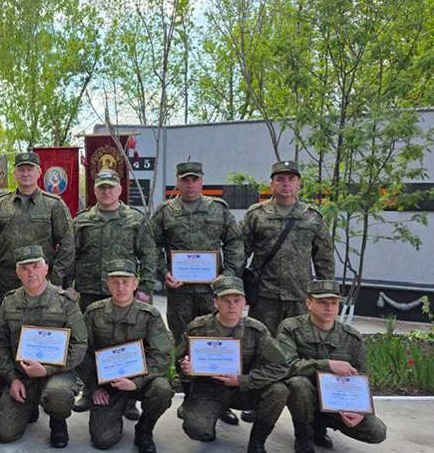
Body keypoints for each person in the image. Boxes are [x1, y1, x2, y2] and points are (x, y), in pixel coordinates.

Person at [150, 161, 244, 425]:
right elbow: (150, 244)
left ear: (202, 181)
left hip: (214, 292)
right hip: (180, 292)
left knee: (218, 342)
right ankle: (191, 398)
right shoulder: (166, 212)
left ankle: (220, 402)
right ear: (178, 182)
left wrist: (228, 275)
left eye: (194, 179)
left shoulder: (218, 209)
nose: (190, 184)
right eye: (185, 179)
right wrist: (163, 272)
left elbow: (234, 242)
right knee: (185, 343)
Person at [0, 152, 75, 408]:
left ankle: (46, 385)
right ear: (15, 173)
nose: (25, 173)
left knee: (43, 333)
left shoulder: (53, 204)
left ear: (39, 172)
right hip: (8, 281)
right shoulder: (1, 205)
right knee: (6, 334)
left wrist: (55, 278)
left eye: (30, 169)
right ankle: (5, 384)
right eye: (21, 169)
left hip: (43, 284)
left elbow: (67, 243)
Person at [72, 168, 158, 416]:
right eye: (102, 187)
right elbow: (70, 254)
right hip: (89, 290)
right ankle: (90, 389)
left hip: (125, 292)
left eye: (111, 187)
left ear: (119, 189)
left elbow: (149, 254)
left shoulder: (135, 219)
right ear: (95, 190)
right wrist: (67, 285)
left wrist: (145, 288)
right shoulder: (82, 220)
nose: (106, 191)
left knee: (129, 342)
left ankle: (128, 398)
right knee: (89, 342)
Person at [177, 275, 290, 453]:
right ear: (216, 302)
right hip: (209, 390)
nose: (232, 306)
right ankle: (210, 418)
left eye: (237, 300)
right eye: (226, 300)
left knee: (279, 390)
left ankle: (257, 441)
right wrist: (185, 368)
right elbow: (177, 361)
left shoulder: (256, 330)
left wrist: (242, 380)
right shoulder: (198, 328)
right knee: (196, 429)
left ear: (244, 302)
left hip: (244, 390)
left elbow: (281, 366)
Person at [0, 246, 88, 448]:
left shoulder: (65, 302)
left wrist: (48, 369)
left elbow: (80, 344)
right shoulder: (9, 302)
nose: (31, 273)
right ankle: (30, 406)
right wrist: (12, 378)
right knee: (4, 432)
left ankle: (58, 422)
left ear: (46, 268)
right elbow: (0, 343)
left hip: (56, 373)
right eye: (24, 268)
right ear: (17, 273)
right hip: (22, 375)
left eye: (35, 266)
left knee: (58, 395)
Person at [278, 280, 387, 452]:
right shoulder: (291, 328)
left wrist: (359, 411)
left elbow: (361, 379)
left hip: (337, 400)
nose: (329, 307)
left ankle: (319, 427)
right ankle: (304, 436)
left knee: (377, 431)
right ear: (309, 303)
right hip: (304, 397)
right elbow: (286, 367)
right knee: (298, 384)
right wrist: (327, 365)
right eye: (322, 302)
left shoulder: (351, 337)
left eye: (334, 303)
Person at [79, 260, 174, 452]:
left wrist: (137, 382)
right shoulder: (93, 313)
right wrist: (95, 387)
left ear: (135, 283)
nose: (120, 287)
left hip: (140, 381)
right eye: (115, 282)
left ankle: (145, 429)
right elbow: (82, 352)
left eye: (125, 281)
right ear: (108, 284)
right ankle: (114, 412)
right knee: (103, 440)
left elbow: (161, 354)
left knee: (162, 390)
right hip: (107, 385)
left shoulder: (149, 315)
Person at [243, 160, 335, 337]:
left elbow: (324, 259)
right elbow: (241, 251)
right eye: (280, 179)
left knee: (300, 344)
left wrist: (325, 294)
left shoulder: (312, 217)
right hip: (264, 297)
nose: (286, 183)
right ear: (272, 184)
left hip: (300, 296)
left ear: (299, 184)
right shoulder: (256, 215)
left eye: (291, 179)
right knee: (263, 343)